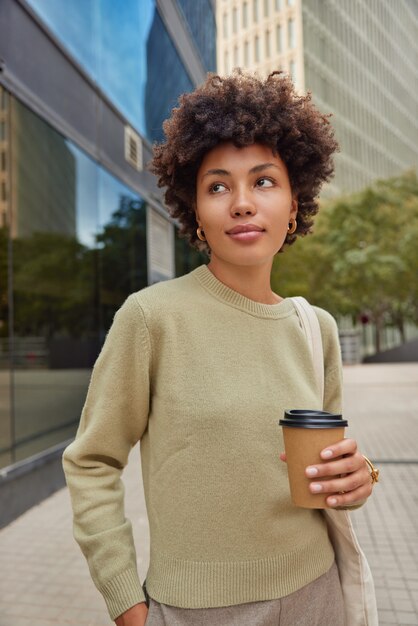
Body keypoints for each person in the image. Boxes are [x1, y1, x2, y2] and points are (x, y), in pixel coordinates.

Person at [63, 71, 377, 626]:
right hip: (196, 610)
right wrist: (127, 605)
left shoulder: (316, 327)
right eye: (217, 186)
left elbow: (323, 468)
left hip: (318, 593)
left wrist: (357, 478)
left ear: (294, 201)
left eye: (263, 181)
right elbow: (92, 460)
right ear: (196, 214)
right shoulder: (150, 317)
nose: (241, 204)